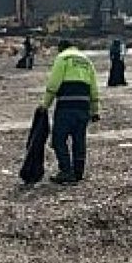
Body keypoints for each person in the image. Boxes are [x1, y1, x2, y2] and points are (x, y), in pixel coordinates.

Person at [40, 39, 102, 183]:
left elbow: (53, 84)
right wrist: (95, 111)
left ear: (61, 48)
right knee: (79, 140)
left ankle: (66, 171)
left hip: (66, 106)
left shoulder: (63, 58)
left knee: (58, 139)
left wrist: (45, 104)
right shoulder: (87, 61)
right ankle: (78, 172)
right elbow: (94, 88)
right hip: (83, 107)